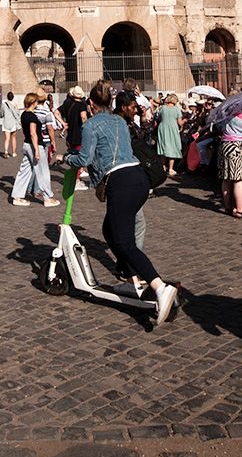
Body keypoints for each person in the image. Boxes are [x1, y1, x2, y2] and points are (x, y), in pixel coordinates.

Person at [67, 85, 177, 326]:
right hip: (139, 179)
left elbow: (84, 159)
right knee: (110, 230)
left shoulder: (90, 125)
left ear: (92, 104)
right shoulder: (119, 122)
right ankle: (130, 279)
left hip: (121, 182)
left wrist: (66, 158)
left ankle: (159, 287)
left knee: (125, 242)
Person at [9, 92, 59, 207]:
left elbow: (26, 132)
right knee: (43, 171)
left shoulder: (24, 114)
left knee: (24, 171)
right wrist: (36, 150)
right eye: (36, 101)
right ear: (33, 102)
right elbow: (33, 134)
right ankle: (48, 197)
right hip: (34, 145)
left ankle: (17, 196)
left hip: (26, 145)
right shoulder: (31, 116)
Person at [154, 93, 184, 177]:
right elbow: (180, 122)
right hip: (173, 128)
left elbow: (158, 118)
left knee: (163, 146)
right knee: (172, 146)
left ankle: (163, 167)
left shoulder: (162, 108)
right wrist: (184, 121)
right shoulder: (177, 109)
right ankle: (170, 169)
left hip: (162, 128)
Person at [0, 89, 20, 158]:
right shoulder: (15, 105)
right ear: (13, 97)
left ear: (7, 97)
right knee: (13, 138)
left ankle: (6, 151)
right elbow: (17, 113)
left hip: (6, 122)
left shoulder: (4, 104)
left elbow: (1, 113)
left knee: (7, 138)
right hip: (13, 123)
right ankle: (14, 153)